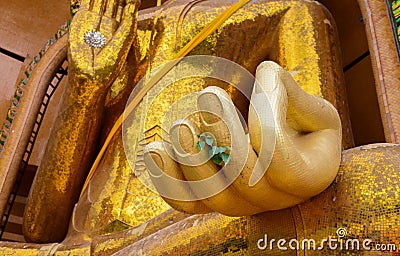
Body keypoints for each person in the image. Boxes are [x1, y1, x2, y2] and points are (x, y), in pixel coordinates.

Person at [2, 0, 393, 254]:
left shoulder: (289, 14)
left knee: (381, 185)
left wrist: (294, 166)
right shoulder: (110, 28)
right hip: (75, 250)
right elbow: (38, 227)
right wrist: (87, 86)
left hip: (181, 239)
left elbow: (323, 178)